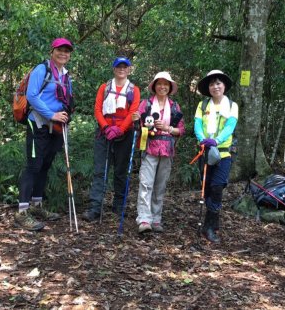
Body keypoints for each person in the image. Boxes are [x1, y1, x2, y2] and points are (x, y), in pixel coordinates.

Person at [14, 38, 75, 231]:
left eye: (67, 51)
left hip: (56, 127)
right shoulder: (42, 70)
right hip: (38, 124)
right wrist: (52, 114)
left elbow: (67, 99)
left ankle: (37, 205)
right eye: (60, 50)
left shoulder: (66, 75)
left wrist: (65, 115)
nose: (63, 54)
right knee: (33, 165)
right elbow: (32, 96)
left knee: (45, 165)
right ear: (52, 51)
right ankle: (22, 212)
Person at [82, 56, 141, 222]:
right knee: (101, 171)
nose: (121, 69)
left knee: (121, 172)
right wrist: (106, 128)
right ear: (114, 69)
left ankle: (119, 205)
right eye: (118, 67)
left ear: (129, 69)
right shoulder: (104, 87)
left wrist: (120, 130)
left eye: (125, 67)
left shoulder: (133, 90)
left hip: (125, 134)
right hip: (104, 134)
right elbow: (97, 109)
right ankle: (95, 208)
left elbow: (133, 111)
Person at [133, 72, 185, 233]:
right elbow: (139, 124)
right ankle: (144, 219)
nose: (162, 86)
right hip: (150, 146)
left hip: (167, 149)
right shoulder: (146, 104)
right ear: (154, 86)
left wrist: (168, 128)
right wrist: (137, 119)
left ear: (170, 87)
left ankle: (156, 218)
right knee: (146, 183)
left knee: (160, 186)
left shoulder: (175, 107)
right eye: (159, 83)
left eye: (166, 84)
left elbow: (181, 130)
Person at [194, 70, 239, 243]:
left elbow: (230, 126)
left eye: (218, 83)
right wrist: (202, 139)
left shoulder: (232, 105)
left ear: (224, 85)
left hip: (223, 152)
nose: (215, 86)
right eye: (212, 84)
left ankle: (209, 227)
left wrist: (217, 140)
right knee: (206, 189)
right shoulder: (203, 105)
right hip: (205, 150)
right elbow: (197, 124)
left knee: (217, 187)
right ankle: (213, 220)